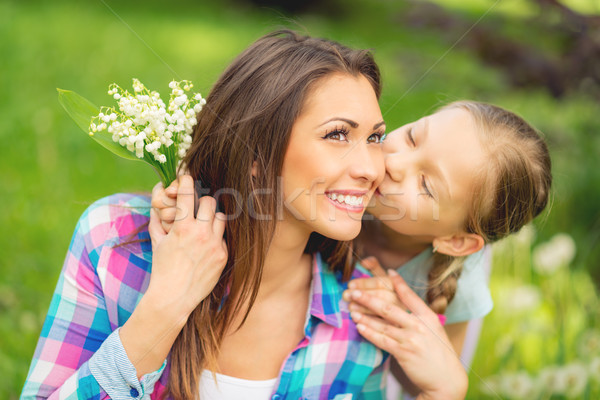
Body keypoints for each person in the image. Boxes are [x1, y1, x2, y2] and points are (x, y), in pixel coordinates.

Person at [21, 30, 392, 400]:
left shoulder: (359, 316)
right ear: (255, 155)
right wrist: (166, 306)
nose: (370, 169)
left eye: (375, 138)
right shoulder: (114, 243)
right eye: (338, 134)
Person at [153, 99, 552, 399]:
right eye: (412, 137)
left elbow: (429, 375)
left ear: (456, 241)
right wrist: (190, 193)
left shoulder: (460, 282)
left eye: (426, 185)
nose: (395, 162)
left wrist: (400, 328)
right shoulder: (339, 189)